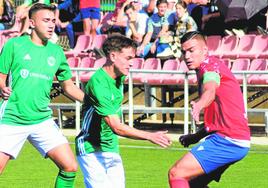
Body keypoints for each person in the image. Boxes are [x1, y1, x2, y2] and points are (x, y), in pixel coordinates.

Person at [0, 3, 84, 187]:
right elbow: (1, 76)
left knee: (70, 167)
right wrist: (2, 87)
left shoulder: (56, 52)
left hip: (41, 120)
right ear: (31, 23)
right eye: (46, 20)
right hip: (12, 117)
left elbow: (68, 87)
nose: (51, 25)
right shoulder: (14, 45)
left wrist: (92, 102)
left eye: (53, 20)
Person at [75, 34, 172, 188]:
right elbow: (117, 127)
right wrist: (149, 135)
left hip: (111, 147)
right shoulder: (99, 84)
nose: (132, 63)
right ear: (113, 56)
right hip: (91, 148)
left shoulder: (118, 77)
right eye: (128, 58)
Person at [168, 31, 251, 188]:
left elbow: (210, 90)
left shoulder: (209, 67)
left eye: (191, 50)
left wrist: (200, 104)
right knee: (194, 184)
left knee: (176, 174)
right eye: (183, 51)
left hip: (228, 140)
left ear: (205, 50)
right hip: (233, 139)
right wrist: (195, 136)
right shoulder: (206, 69)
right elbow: (215, 120)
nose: (186, 56)